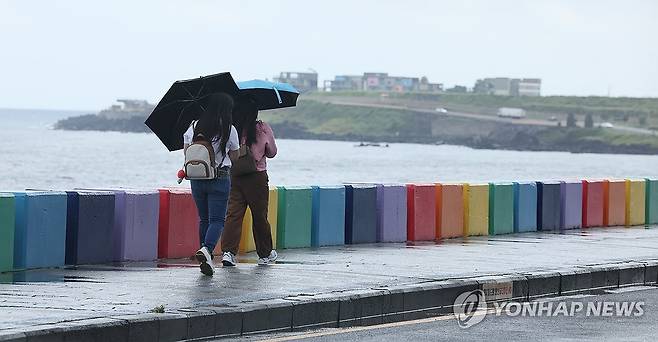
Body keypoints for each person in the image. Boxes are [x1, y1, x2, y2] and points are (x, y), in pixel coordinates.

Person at [183, 92, 239, 276]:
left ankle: (204, 255)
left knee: (204, 219)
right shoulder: (229, 129)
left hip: (197, 179)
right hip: (220, 177)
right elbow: (235, 157)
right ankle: (206, 249)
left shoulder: (193, 126)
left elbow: (186, 152)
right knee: (217, 220)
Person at [221, 99, 278, 266]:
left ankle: (229, 253)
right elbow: (272, 152)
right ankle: (265, 254)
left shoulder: (231, 128)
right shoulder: (261, 128)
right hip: (257, 177)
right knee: (259, 215)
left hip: (235, 175)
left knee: (233, 214)